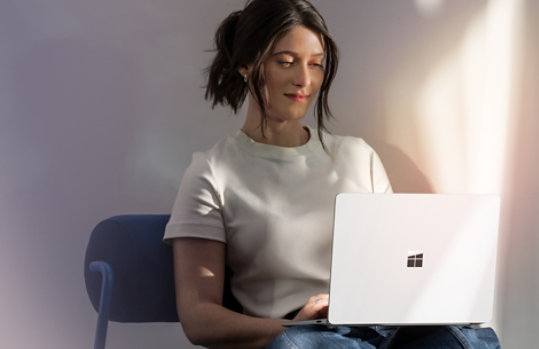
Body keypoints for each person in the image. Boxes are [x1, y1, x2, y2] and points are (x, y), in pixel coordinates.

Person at [163, 0, 501, 348]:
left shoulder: (357, 156)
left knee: (466, 340)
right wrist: (289, 327)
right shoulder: (212, 172)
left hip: (378, 331)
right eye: (286, 62)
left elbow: (394, 270)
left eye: (316, 64)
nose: (304, 80)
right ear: (247, 65)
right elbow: (198, 316)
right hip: (300, 337)